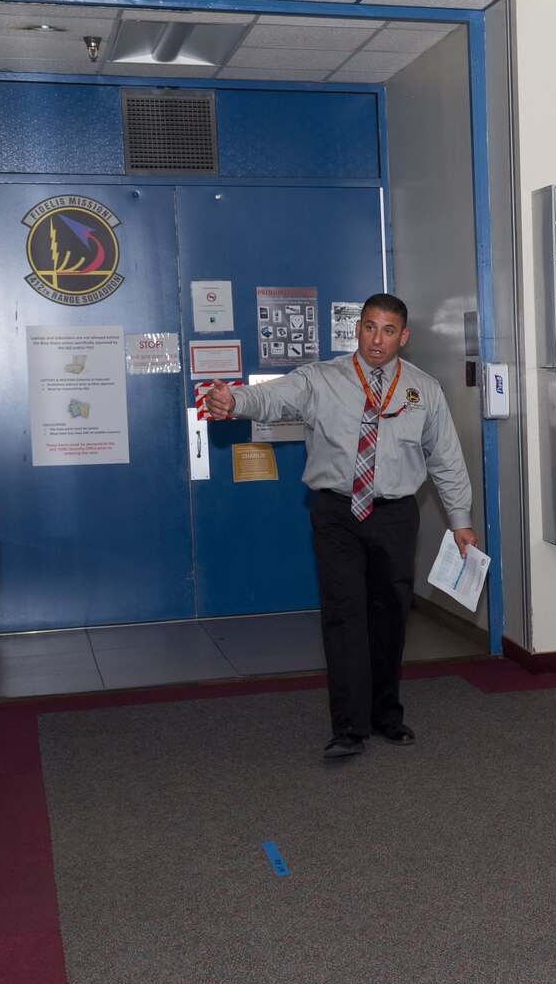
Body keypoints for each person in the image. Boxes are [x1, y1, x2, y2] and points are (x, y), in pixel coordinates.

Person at [202, 293, 476, 761]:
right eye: (370, 327)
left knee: (390, 614)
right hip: (337, 513)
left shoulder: (423, 389)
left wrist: (460, 520)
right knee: (345, 613)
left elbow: (446, 457)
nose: (377, 339)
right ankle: (349, 727)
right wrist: (234, 400)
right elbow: (272, 397)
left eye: (389, 331)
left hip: (395, 514)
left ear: (403, 337)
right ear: (358, 329)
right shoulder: (321, 378)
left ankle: (386, 715)